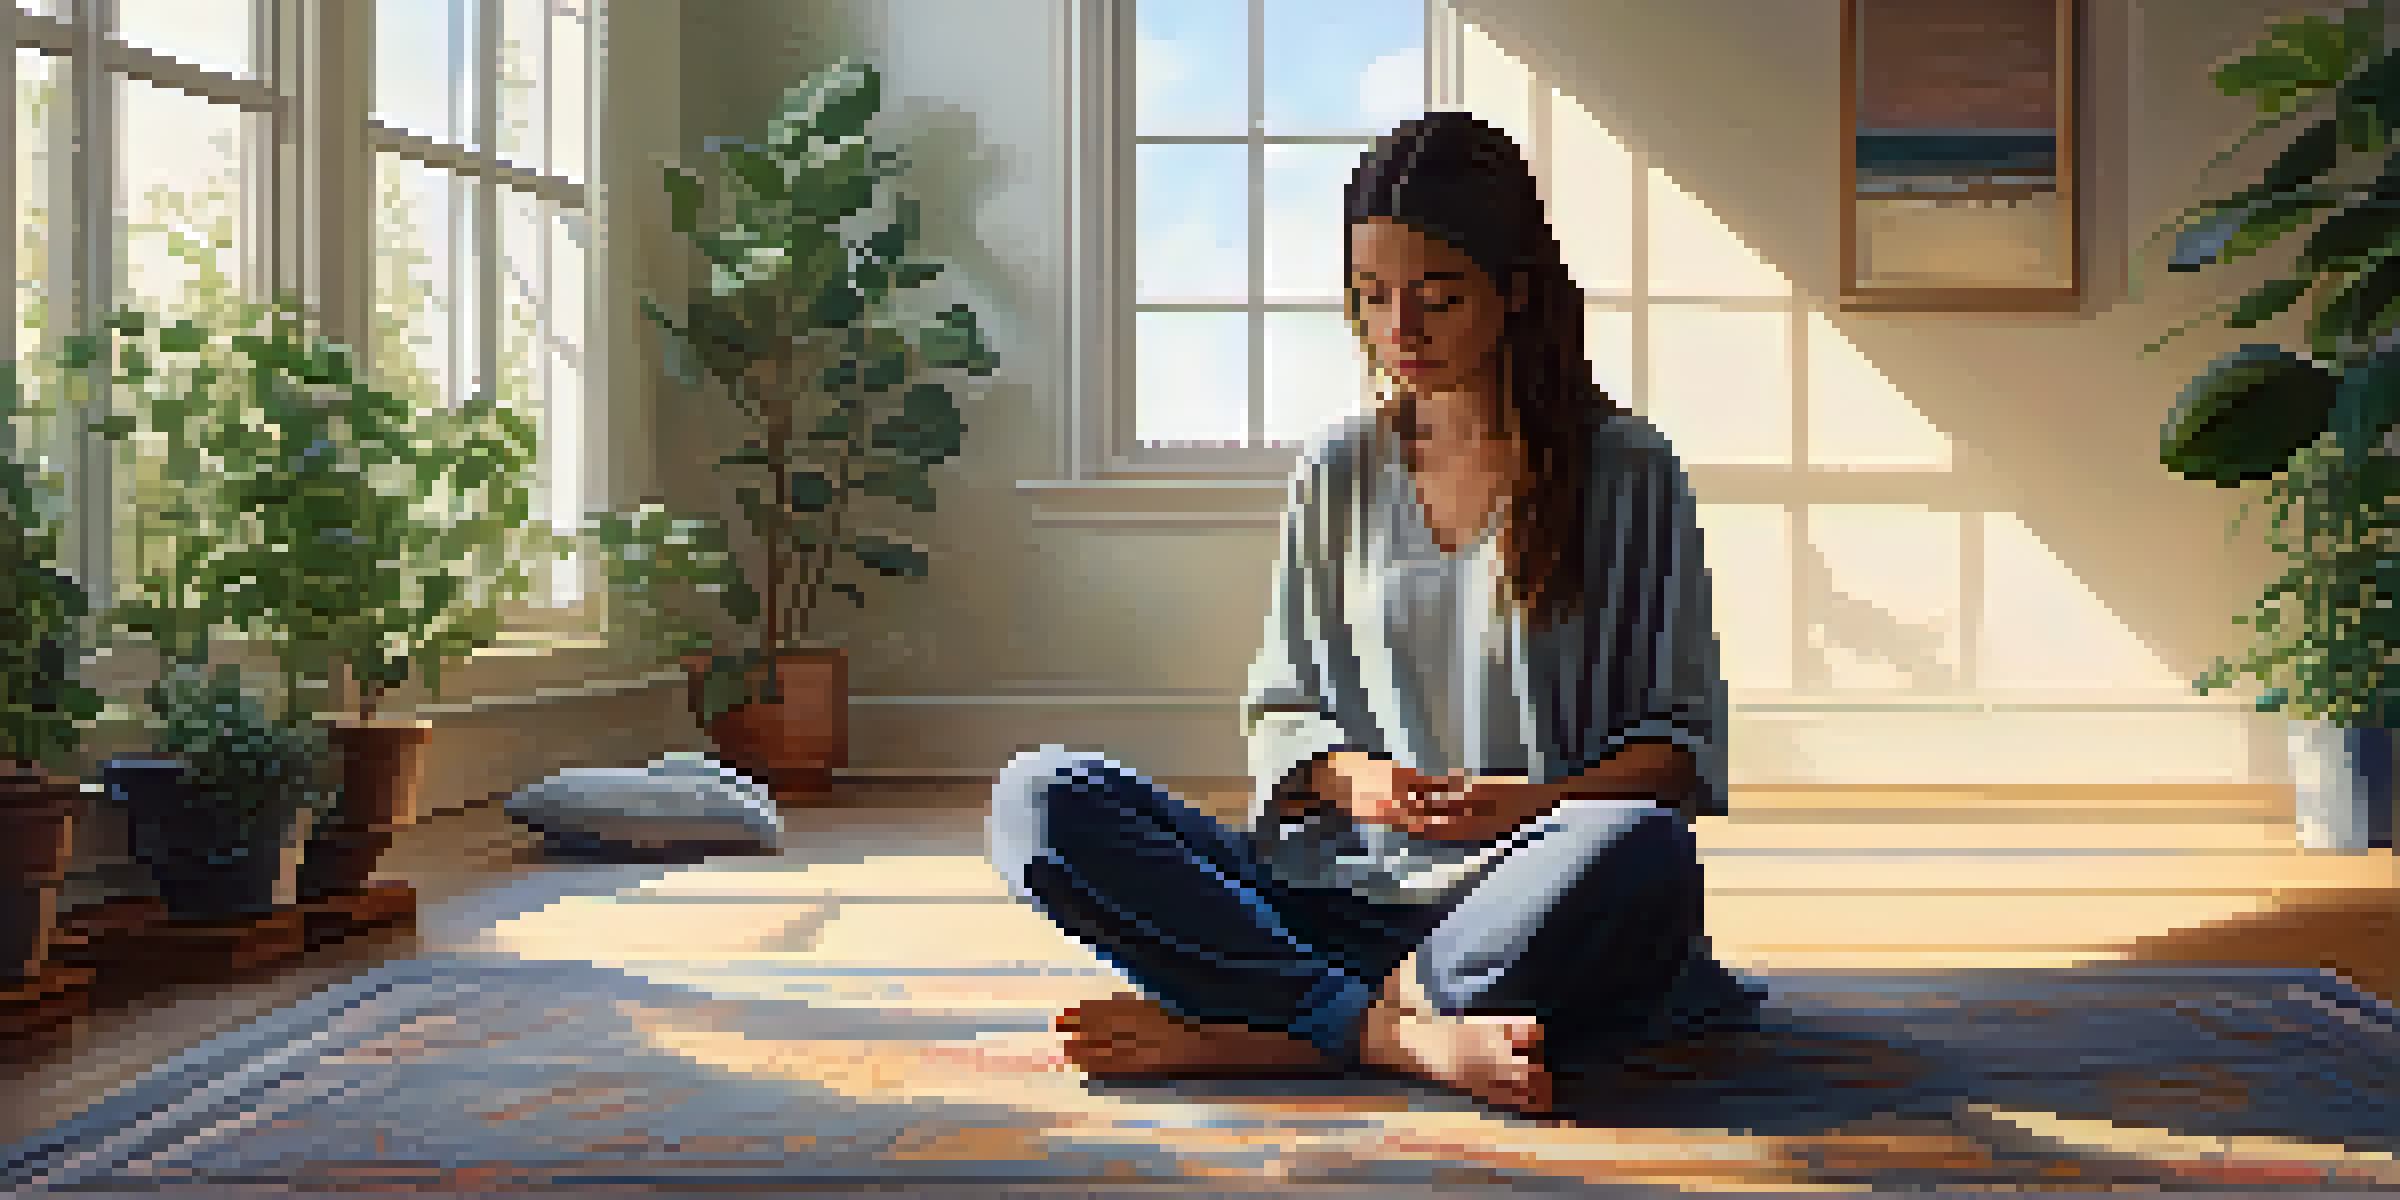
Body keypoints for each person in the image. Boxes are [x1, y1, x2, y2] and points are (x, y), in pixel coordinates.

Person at [987, 110, 1763, 1117]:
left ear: (1516, 288)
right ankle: (1388, 1033)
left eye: (1438, 297)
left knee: (1641, 849)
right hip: (1331, 892)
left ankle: (1282, 1032)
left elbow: (1678, 748)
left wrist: (1528, 805)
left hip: (1523, 901)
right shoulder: (1337, 471)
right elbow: (1282, 712)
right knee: (1039, 796)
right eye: (1372, 297)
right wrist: (1359, 784)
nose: (1401, 330)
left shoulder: (1630, 472)